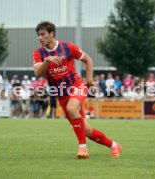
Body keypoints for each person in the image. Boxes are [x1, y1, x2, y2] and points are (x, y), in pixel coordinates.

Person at [33, 21, 122, 159]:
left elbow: (88, 59)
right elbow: (38, 73)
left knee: (72, 108)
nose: (40, 37)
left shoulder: (67, 47)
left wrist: (90, 79)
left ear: (51, 34)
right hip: (61, 94)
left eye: (43, 34)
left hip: (77, 85)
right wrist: (47, 61)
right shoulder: (39, 53)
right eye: (38, 35)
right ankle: (114, 145)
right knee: (86, 130)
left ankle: (83, 148)